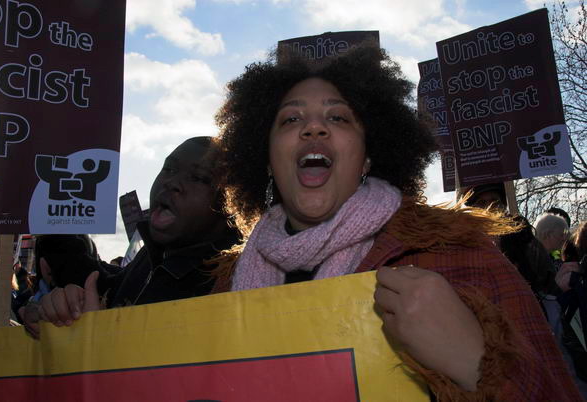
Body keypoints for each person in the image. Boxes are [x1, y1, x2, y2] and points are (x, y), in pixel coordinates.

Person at [212, 43, 582, 400]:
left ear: (368, 158)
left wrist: (475, 364)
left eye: (337, 117)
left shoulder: (459, 253)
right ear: (267, 158)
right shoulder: (227, 284)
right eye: (291, 119)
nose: (313, 129)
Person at [24, 137, 240, 338]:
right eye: (169, 168)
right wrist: (62, 306)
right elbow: (106, 291)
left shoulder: (235, 282)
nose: (172, 182)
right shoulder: (151, 256)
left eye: (199, 178)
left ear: (234, 205)